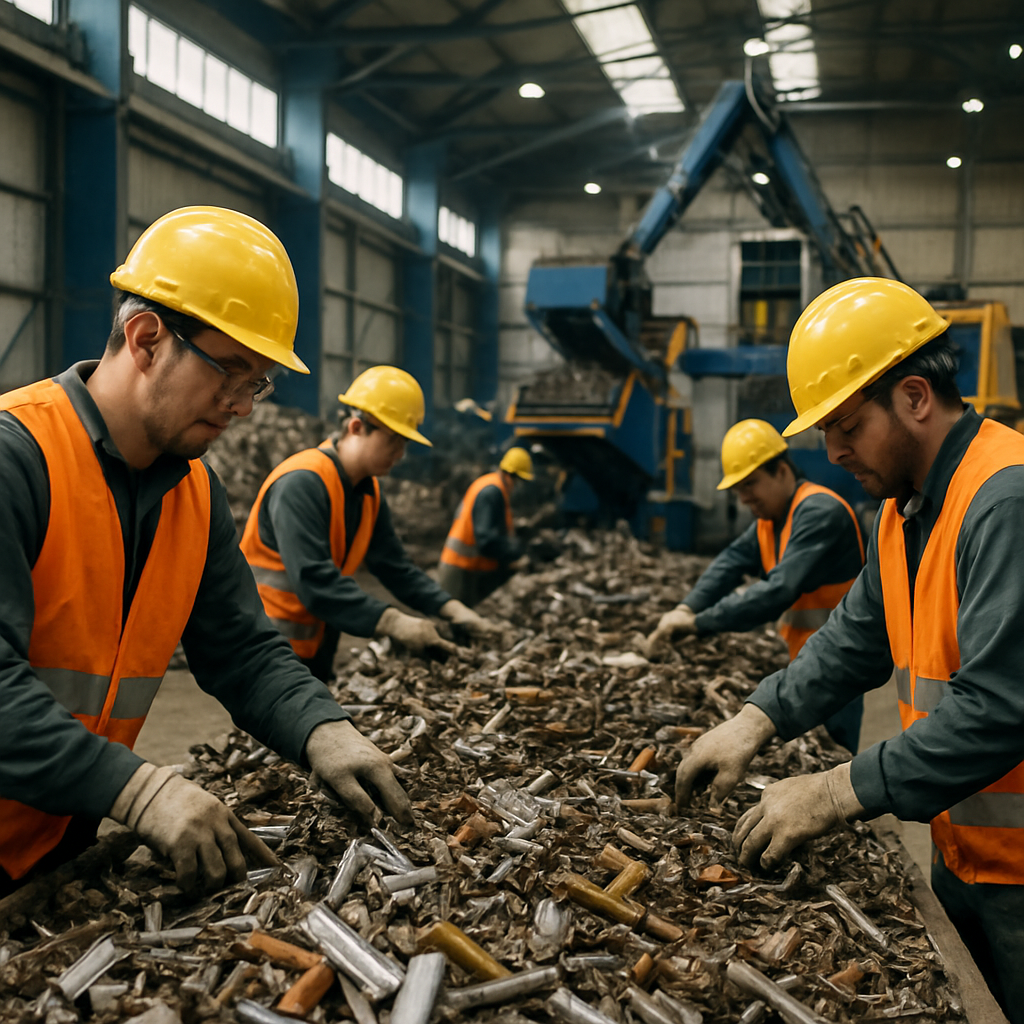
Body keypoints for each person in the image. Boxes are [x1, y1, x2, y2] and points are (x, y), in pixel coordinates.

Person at [0, 206, 414, 898]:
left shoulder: (191, 493)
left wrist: (323, 730)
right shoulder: (18, 461)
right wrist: (138, 791)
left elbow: (242, 651)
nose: (242, 406)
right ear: (145, 338)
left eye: (255, 382)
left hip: (50, 842)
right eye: (229, 372)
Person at [674, 277, 1024, 1021]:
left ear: (916, 397)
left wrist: (836, 791)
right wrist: (755, 719)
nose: (832, 453)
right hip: (968, 847)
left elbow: (1001, 708)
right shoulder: (904, 511)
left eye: (846, 427)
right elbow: (854, 639)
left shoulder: (1005, 503)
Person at [241, 366, 500, 682]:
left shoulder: (367, 492)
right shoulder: (301, 483)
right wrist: (393, 622)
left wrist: (453, 609)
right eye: (394, 441)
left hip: (313, 643)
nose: (400, 454)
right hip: (265, 646)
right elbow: (316, 582)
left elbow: (395, 567)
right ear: (356, 426)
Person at [647, 419, 865, 751]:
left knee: (832, 755)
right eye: (739, 490)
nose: (745, 498)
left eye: (750, 484)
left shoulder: (820, 513)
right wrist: (684, 607)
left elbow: (777, 591)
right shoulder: (771, 520)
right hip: (804, 660)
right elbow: (730, 562)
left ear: (781, 471)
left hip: (839, 664)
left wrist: (697, 623)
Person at [437, 447, 534, 608]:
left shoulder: (493, 486)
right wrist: (515, 554)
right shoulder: (491, 492)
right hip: (460, 568)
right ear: (509, 475)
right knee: (455, 619)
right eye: (518, 481)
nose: (518, 486)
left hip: (466, 568)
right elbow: (486, 540)